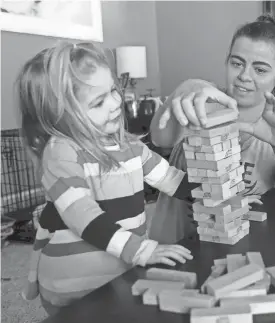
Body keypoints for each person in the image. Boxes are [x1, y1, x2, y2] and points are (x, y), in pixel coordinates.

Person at [18, 42, 195, 315]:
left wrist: (213, 189)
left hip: (118, 272)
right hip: (74, 286)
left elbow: (172, 180)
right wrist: (142, 250)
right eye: (98, 102)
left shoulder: (130, 147)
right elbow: (84, 217)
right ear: (60, 117)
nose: (115, 103)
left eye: (113, 90)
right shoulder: (61, 152)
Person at [149, 14, 275, 244]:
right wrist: (190, 86)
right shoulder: (197, 102)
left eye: (260, 70)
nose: (245, 76)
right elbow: (160, 138)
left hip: (235, 250)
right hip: (172, 249)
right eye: (237, 63)